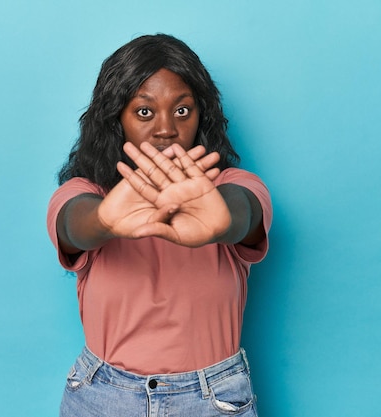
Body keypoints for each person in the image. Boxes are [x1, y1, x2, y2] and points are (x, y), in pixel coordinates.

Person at [47, 34, 272, 417]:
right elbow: (73, 224)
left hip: (212, 399)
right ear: (116, 119)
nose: (166, 129)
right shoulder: (85, 193)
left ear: (202, 115)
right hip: (103, 397)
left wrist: (223, 221)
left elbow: (244, 213)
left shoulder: (237, 187)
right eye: (145, 112)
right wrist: (103, 219)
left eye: (182, 111)